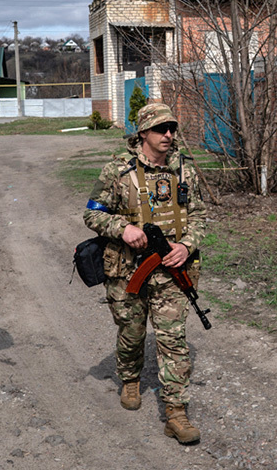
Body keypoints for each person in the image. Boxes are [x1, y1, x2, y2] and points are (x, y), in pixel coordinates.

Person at [83, 103, 207, 444]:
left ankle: (176, 413)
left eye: (172, 128)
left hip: (172, 272)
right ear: (143, 134)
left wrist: (187, 245)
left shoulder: (184, 169)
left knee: (173, 342)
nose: (169, 135)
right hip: (127, 271)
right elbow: (92, 214)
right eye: (161, 129)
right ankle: (130, 377)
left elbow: (199, 215)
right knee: (132, 333)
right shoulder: (117, 170)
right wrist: (121, 228)